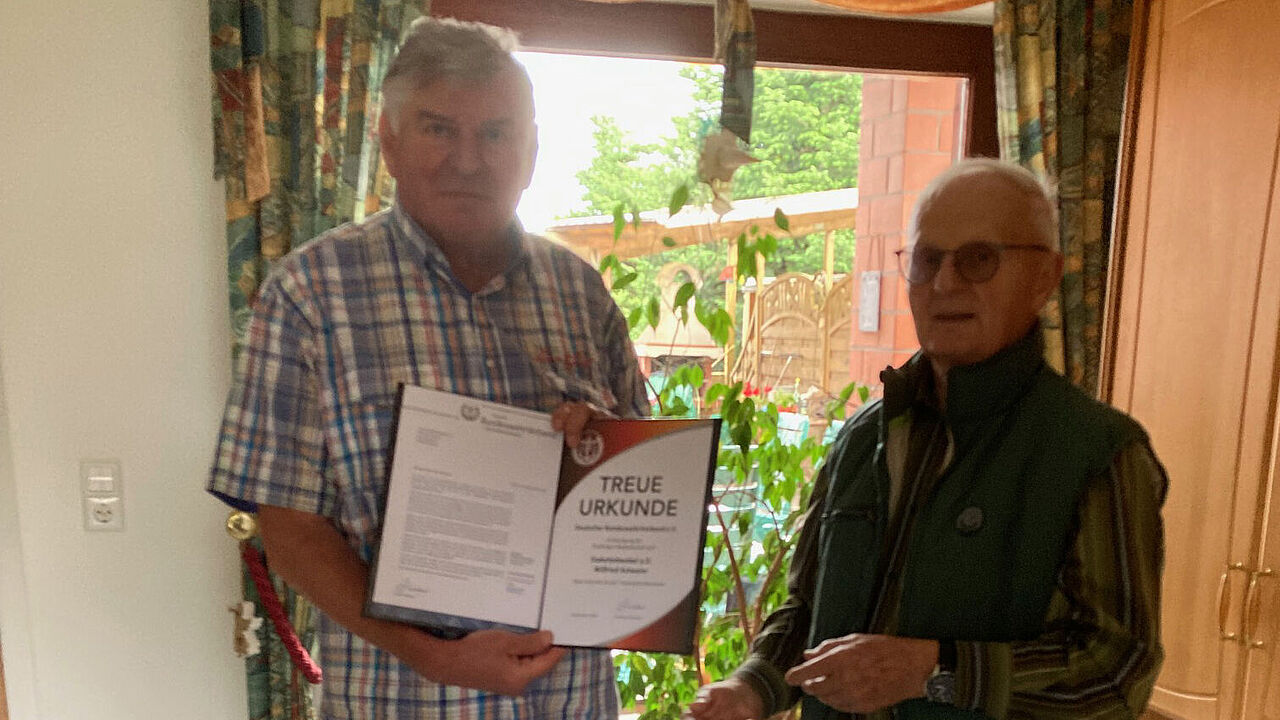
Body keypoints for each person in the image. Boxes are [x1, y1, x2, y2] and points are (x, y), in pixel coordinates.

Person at [207, 17, 646, 719]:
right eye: (440, 129)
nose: (469, 160)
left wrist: (602, 446)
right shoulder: (309, 295)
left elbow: (640, 478)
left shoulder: (580, 292)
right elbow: (288, 527)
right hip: (400, 698)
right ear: (388, 140)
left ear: (531, 151)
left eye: (497, 133)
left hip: (567, 700)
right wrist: (433, 655)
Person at [687, 158, 1167, 720]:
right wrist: (750, 688)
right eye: (927, 259)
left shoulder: (1100, 452)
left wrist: (936, 672)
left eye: (978, 259)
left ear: (1044, 279)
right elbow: (808, 609)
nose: (944, 283)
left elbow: (1117, 673)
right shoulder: (861, 438)